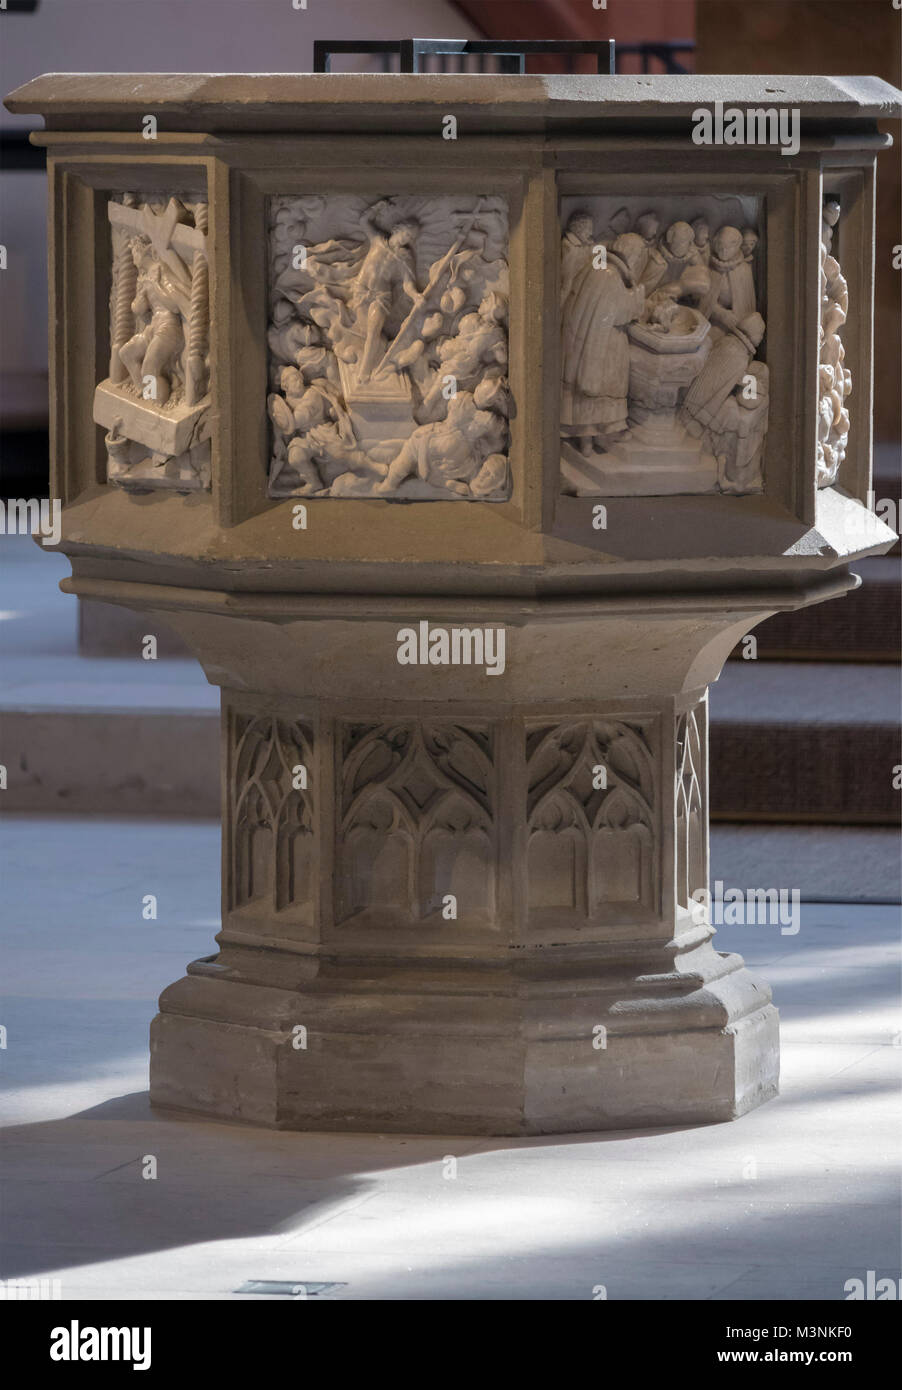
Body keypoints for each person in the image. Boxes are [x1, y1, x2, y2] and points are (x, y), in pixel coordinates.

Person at [560, 226, 647, 451]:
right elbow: (619, 313)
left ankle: (588, 438)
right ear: (632, 254)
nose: (638, 262)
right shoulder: (609, 275)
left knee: (589, 392)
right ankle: (600, 435)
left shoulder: (595, 268)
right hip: (605, 344)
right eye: (638, 256)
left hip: (586, 341)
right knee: (604, 387)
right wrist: (638, 298)